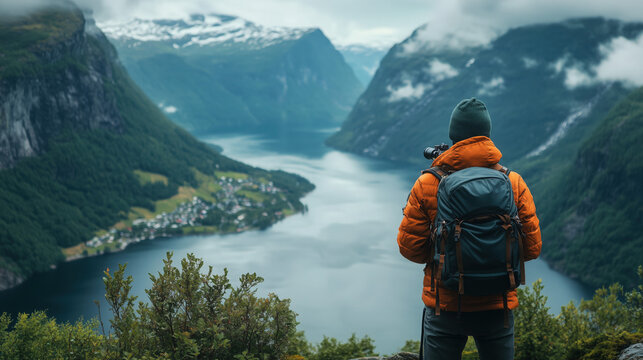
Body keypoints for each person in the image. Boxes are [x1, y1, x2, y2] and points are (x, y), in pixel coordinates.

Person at [397, 98, 542, 360]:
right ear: (487, 133)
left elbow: (411, 250)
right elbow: (531, 249)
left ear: (454, 135)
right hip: (497, 306)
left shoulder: (429, 183)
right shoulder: (513, 182)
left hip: (445, 306)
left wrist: (446, 251)